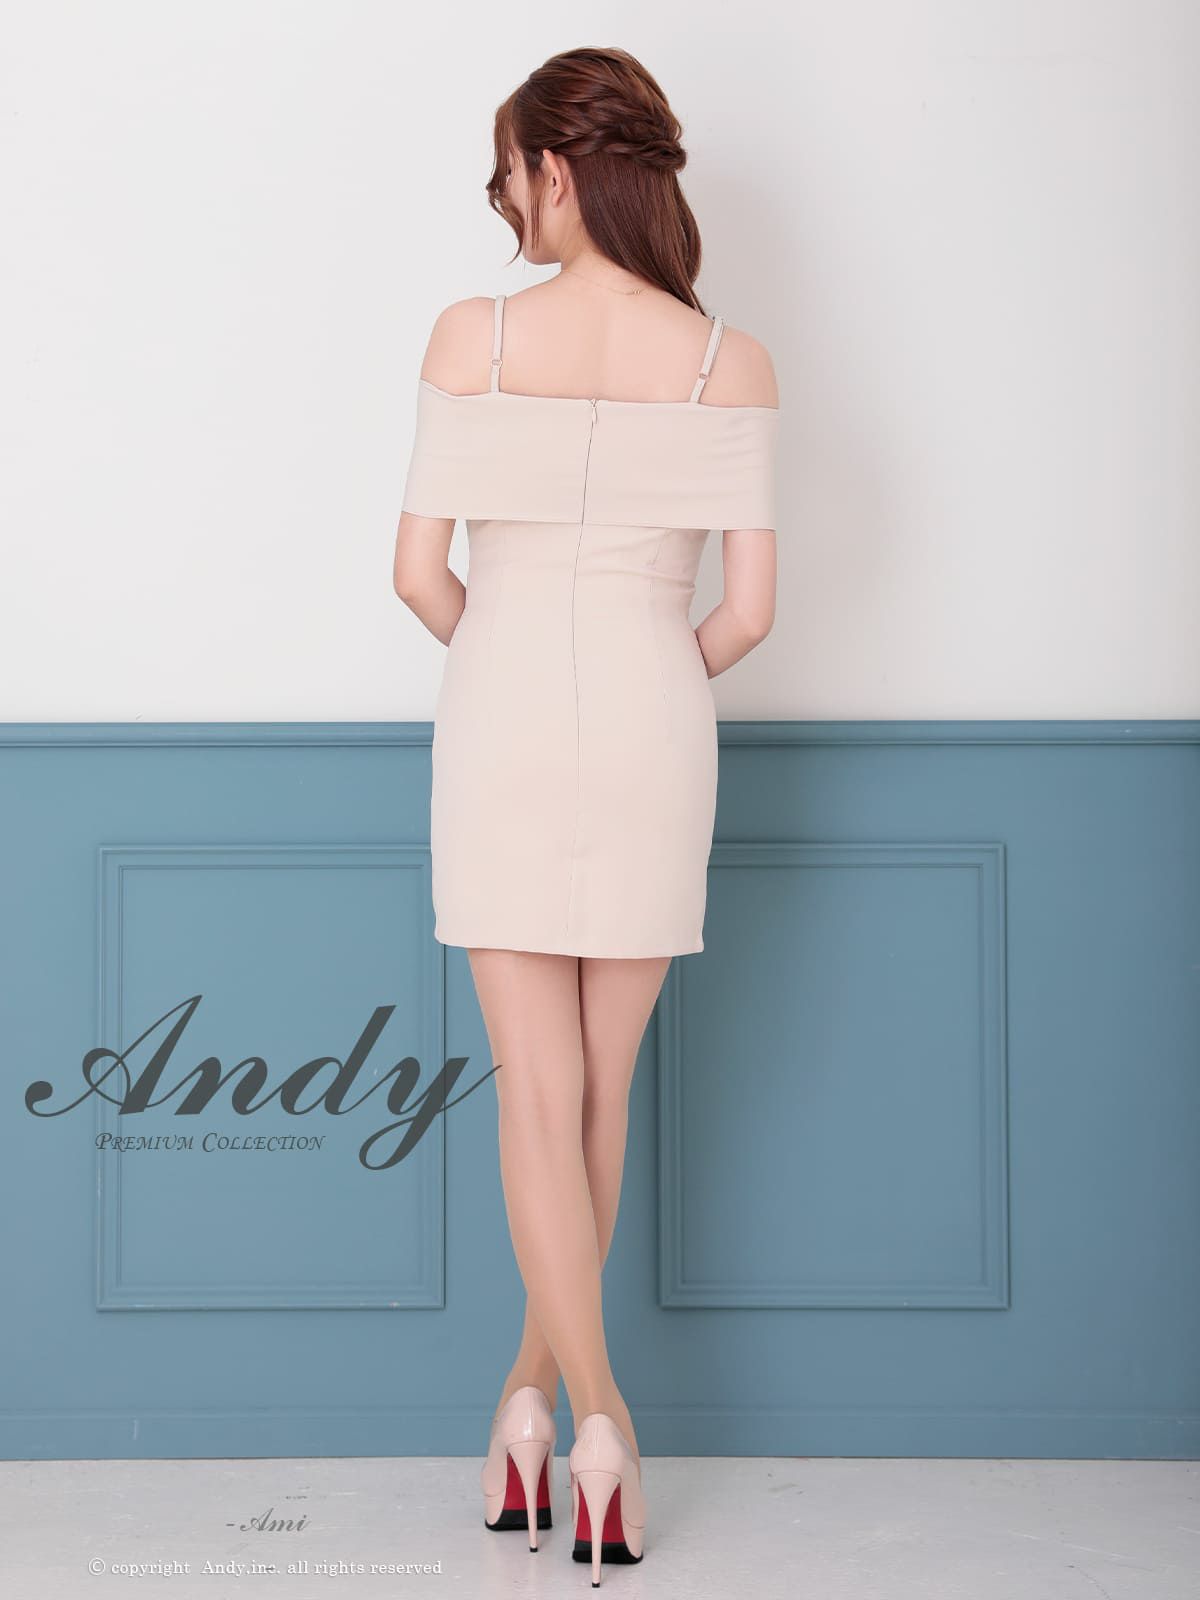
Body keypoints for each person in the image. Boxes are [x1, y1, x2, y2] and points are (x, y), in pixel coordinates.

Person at [392, 44, 779, 1586]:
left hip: (498, 716)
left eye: (510, 171)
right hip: (654, 720)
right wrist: (648, 676)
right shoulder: (726, 360)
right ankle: (536, 1403)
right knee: (602, 1092)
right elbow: (747, 615)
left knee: (532, 1096)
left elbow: (417, 577)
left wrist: (504, 655)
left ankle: (587, 1412)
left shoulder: (472, 334)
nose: (504, 201)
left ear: (556, 168)